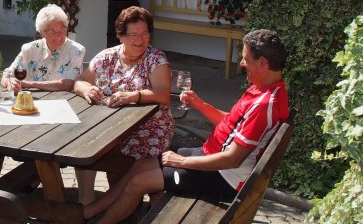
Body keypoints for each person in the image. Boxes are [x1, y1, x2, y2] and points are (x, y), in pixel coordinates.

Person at [84, 29, 290, 223]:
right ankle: (89, 211)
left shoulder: (265, 105)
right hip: (211, 156)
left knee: (140, 182)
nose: (242, 63)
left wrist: (181, 161)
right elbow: (233, 122)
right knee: (140, 165)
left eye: (246, 58)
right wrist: (200, 105)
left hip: (224, 176)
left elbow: (232, 159)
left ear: (262, 62)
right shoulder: (264, 90)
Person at [72, 6, 173, 203]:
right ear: (121, 36)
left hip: (149, 127)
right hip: (110, 126)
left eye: (145, 34)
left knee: (136, 156)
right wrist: (86, 89)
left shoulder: (156, 59)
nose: (140, 40)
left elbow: (163, 95)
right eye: (133, 35)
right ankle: (86, 202)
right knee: (83, 144)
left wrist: (134, 96)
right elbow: (80, 81)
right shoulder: (106, 58)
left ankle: (128, 206)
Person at [1, 3, 85, 92]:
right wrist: (8, 80)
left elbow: (68, 84)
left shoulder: (77, 51)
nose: (58, 36)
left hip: (66, 101)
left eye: (62, 29)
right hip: (32, 101)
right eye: (52, 31)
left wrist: (28, 84)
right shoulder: (29, 49)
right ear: (42, 32)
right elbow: (8, 73)